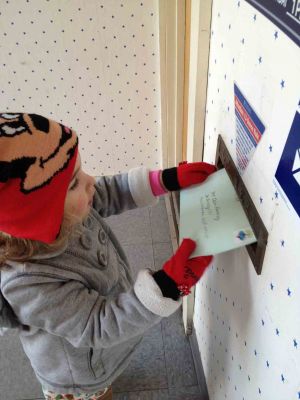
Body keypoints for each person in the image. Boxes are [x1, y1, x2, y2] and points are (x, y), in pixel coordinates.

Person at [0, 113, 216, 400]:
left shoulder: (64, 213)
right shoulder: (28, 281)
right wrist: (167, 286)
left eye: (80, 172)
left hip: (99, 352)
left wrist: (163, 180)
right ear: (39, 215)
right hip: (77, 378)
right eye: (74, 183)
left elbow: (104, 193)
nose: (91, 181)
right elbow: (98, 324)